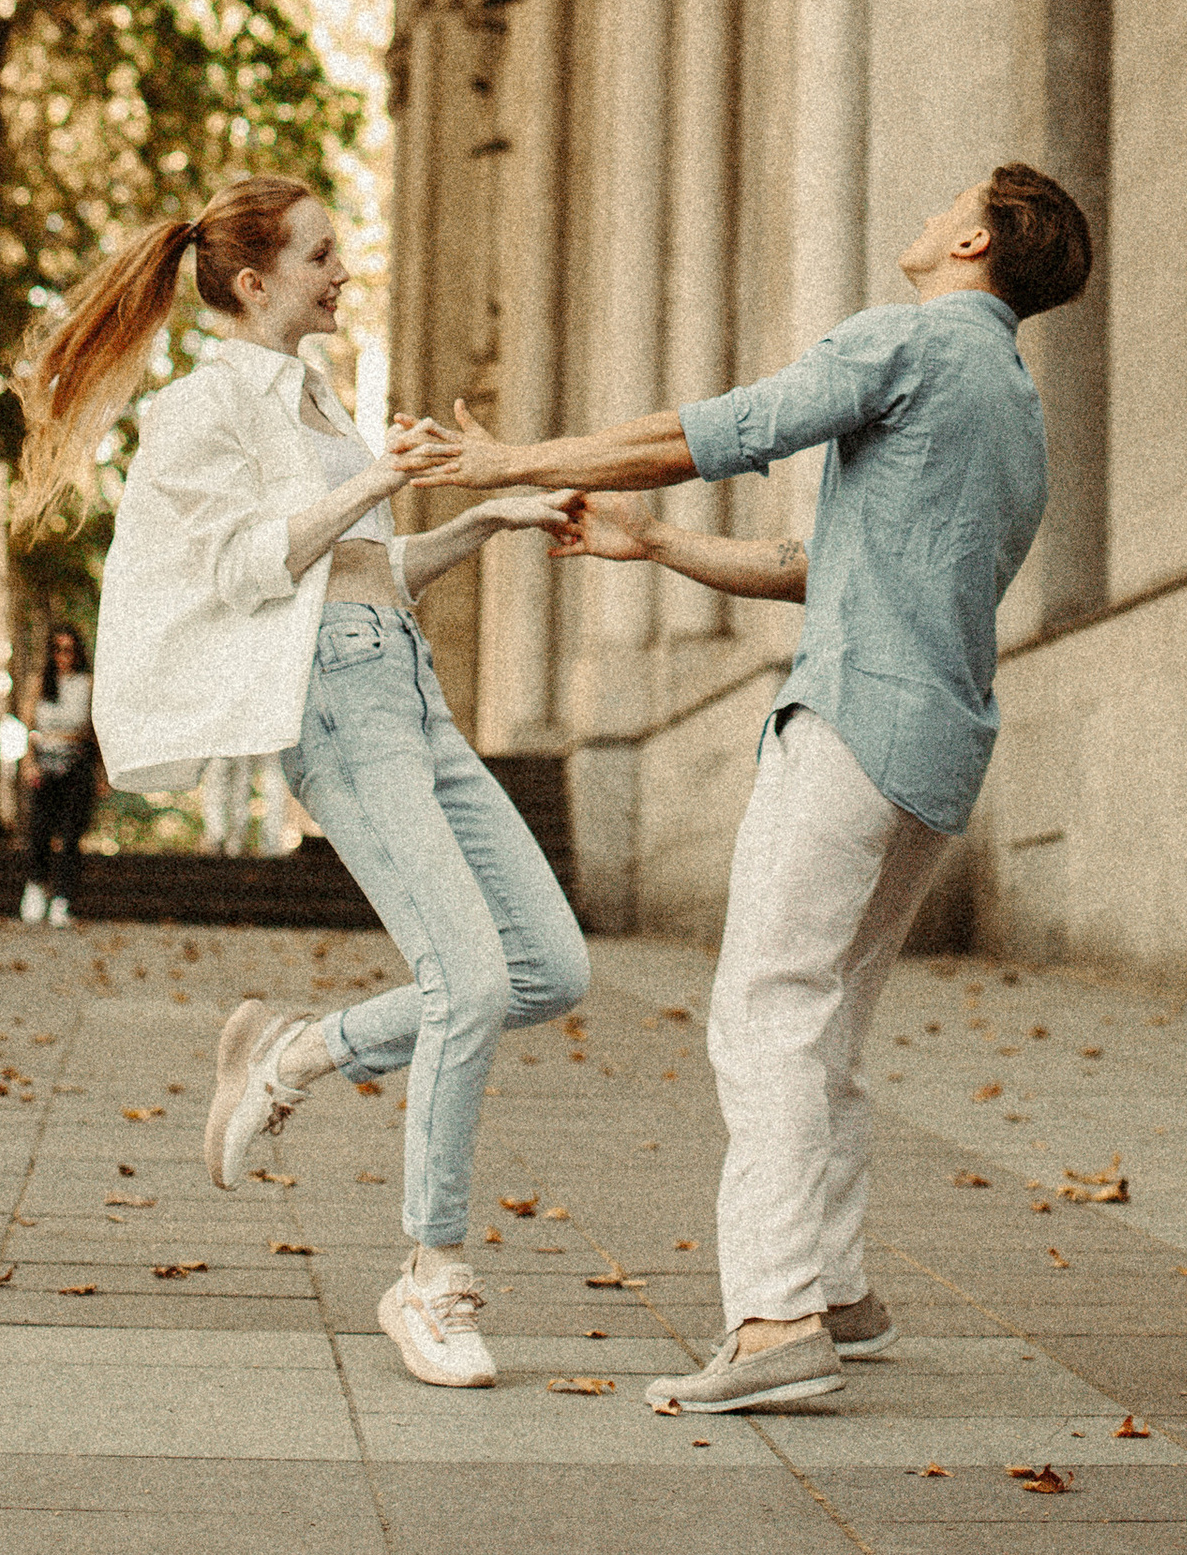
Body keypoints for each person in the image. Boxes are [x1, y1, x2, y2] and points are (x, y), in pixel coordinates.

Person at [394, 160, 1092, 1418]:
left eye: (949, 204)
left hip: (850, 727)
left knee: (763, 1012)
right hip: (936, 750)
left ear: (977, 238)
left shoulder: (911, 340)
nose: (927, 214)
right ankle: (836, 1289)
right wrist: (652, 544)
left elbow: (707, 433)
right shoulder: (1014, 409)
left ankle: (775, 1324)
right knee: (822, 1020)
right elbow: (811, 560)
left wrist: (505, 460)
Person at [8, 173, 589, 1392]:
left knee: (546, 965)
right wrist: (378, 480)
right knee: (468, 982)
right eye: (323, 254)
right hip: (332, 704)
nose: (343, 271)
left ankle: (293, 1056)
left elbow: (371, 575)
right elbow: (242, 569)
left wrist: (487, 519)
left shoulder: (321, 406)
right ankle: (429, 1278)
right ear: (257, 279)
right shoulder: (200, 409)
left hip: (408, 692)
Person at [18, 622, 98, 926]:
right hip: (45, 762)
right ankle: (36, 887)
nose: (64, 656)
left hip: (77, 762)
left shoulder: (88, 684)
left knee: (70, 833)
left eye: (69, 649)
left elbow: (94, 731)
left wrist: (101, 771)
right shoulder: (39, 683)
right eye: (58, 649)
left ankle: (63, 899)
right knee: (40, 830)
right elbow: (28, 728)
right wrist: (28, 762)